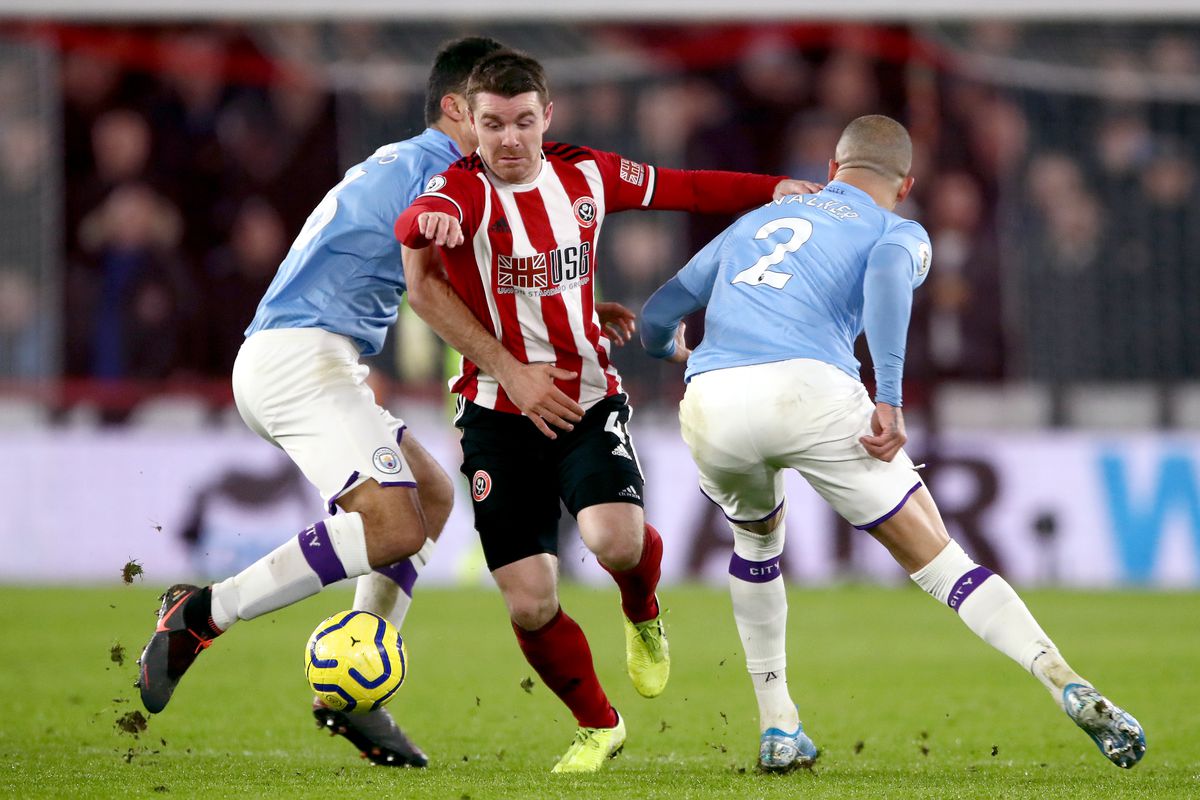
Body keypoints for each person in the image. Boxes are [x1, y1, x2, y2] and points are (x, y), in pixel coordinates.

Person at [640, 114, 1147, 773]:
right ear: (905, 185)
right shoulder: (897, 231)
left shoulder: (755, 223)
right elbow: (884, 282)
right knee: (942, 563)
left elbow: (657, 311)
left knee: (756, 543)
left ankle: (778, 726)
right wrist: (889, 397)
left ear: (831, 169)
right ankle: (1063, 679)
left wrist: (669, 348)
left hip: (712, 400)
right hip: (811, 391)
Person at [394, 49, 819, 773]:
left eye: (523, 121)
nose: (509, 140)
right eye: (492, 124)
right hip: (497, 413)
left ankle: (641, 608)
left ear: (547, 116)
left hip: (586, 396)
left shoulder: (586, 173)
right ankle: (599, 724)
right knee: (528, 602)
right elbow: (424, 216)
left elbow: (681, 187)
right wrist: (428, 220)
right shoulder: (460, 190)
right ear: (471, 121)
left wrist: (774, 186)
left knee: (616, 542)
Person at [135, 36, 526, 768]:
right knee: (392, 524)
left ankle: (354, 688)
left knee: (430, 498)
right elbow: (450, 286)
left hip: (312, 357)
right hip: (299, 359)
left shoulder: (407, 163)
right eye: (491, 115)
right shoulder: (437, 173)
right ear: (455, 109)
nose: (506, 131)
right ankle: (200, 613)